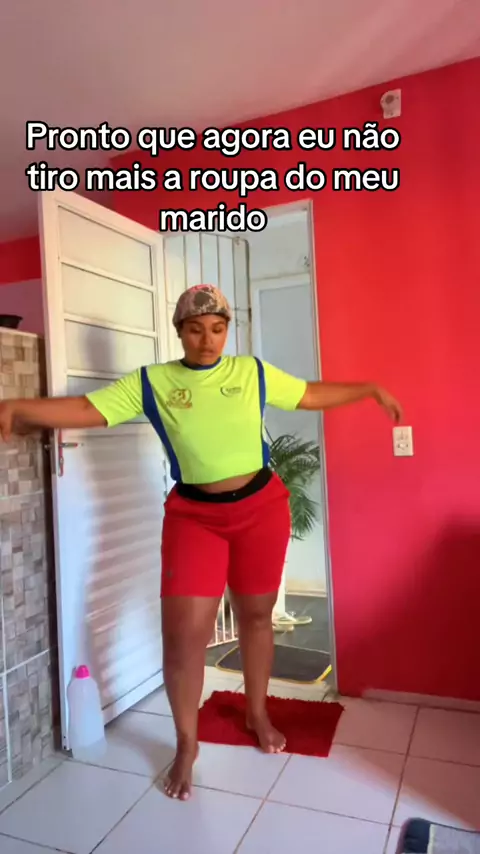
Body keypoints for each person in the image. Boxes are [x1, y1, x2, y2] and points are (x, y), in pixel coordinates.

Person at [0, 284, 402, 801]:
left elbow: (308, 394)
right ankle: (186, 743)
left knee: (256, 617)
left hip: (261, 509)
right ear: (180, 332)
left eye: (217, 329)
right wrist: (17, 407)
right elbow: (86, 409)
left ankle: (257, 713)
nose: (208, 340)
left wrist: (368, 389)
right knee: (183, 638)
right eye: (195, 330)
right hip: (195, 518)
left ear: (227, 330)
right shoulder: (154, 382)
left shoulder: (251, 373)